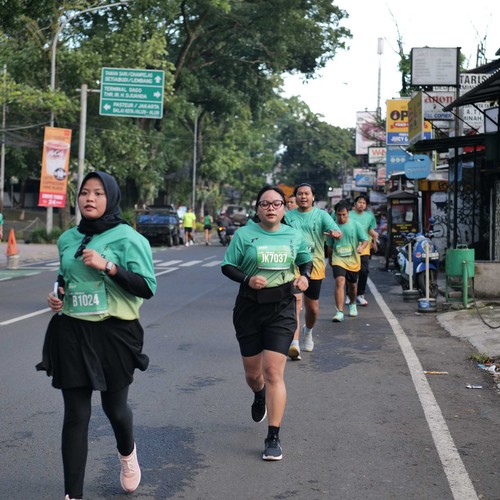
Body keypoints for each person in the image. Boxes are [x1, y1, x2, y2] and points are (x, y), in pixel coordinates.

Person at [36, 171, 157, 500]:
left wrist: (109, 267)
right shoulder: (68, 238)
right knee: (76, 414)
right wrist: (57, 294)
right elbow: (64, 277)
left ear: (111, 198)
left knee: (115, 409)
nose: (89, 198)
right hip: (72, 330)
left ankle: (127, 454)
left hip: (115, 333)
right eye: (85, 192)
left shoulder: (129, 238)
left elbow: (147, 287)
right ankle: (72, 494)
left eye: (98, 193)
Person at [221, 185, 312, 461]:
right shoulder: (244, 234)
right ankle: (259, 394)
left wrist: (304, 277)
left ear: (284, 208)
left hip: (282, 307)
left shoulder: (294, 235)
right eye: (265, 204)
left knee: (273, 372)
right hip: (249, 307)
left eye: (276, 204)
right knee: (254, 375)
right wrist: (247, 279)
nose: (270, 208)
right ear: (257, 209)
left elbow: (305, 261)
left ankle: (273, 437)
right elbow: (228, 266)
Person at [285, 183, 342, 356]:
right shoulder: (287, 216)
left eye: (306, 194)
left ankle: (308, 331)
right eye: (300, 194)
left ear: (313, 197)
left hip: (314, 265)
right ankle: (294, 343)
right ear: (295, 197)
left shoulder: (321, 215)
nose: (303, 197)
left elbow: (336, 230)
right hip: (293, 265)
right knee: (296, 304)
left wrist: (336, 233)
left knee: (312, 309)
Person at [326, 199, 369, 322]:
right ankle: (339, 312)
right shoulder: (332, 227)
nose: (341, 217)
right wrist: (330, 260)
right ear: (335, 214)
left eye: (344, 214)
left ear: (348, 213)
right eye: (339, 215)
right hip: (338, 259)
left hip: (353, 260)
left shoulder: (355, 225)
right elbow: (330, 246)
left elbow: (365, 240)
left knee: (352, 285)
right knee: (339, 281)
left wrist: (361, 247)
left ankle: (353, 303)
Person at [348, 194, 378, 306]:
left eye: (364, 203)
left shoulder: (369, 216)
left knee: (364, 271)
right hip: (350, 247)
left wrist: (374, 241)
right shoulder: (349, 214)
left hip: (364, 247)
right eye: (360, 202)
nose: (362, 204)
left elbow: (370, 230)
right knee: (351, 272)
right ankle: (349, 294)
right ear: (355, 204)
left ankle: (360, 294)